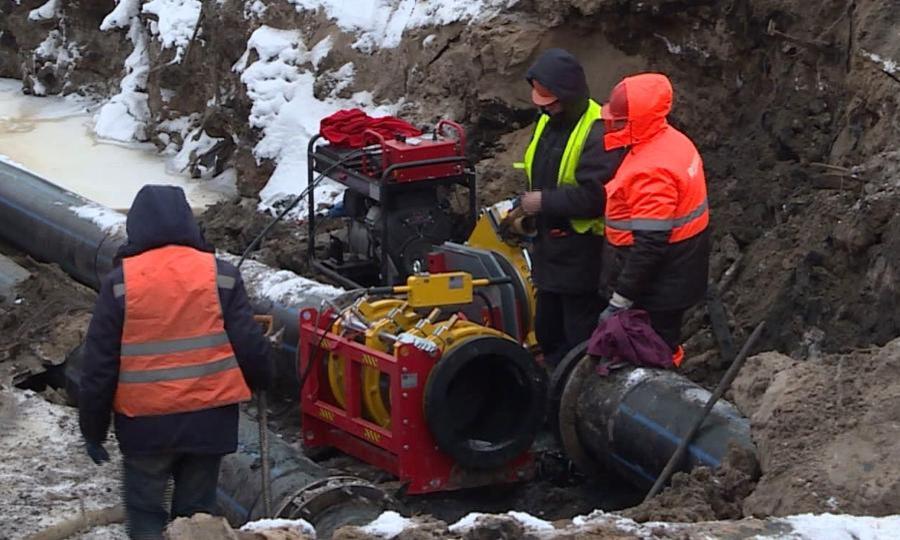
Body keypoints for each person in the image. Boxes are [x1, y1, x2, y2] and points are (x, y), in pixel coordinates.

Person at [78, 185, 271, 539]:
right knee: (196, 517)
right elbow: (248, 344)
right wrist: (262, 378)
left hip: (144, 428)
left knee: (146, 515)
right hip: (209, 422)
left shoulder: (120, 284)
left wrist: (93, 429)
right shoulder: (221, 275)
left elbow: (99, 365)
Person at [514, 48, 625, 368]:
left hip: (582, 258)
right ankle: (551, 378)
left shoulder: (597, 131)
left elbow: (596, 198)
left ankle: (573, 391)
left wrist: (543, 202)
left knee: (578, 337)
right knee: (548, 330)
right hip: (548, 252)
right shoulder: (548, 122)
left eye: (550, 103)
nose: (545, 110)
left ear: (567, 95)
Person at [598, 73, 711, 364]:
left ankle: (663, 390)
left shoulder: (652, 170)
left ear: (639, 121)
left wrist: (620, 300)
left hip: (661, 283)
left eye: (620, 120)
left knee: (652, 349)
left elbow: (649, 246)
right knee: (663, 340)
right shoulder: (671, 141)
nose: (613, 125)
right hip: (680, 271)